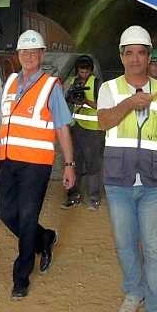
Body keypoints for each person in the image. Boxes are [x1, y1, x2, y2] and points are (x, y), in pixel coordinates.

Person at [97, 25, 157, 312]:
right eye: (129, 54)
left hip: (155, 181)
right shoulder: (109, 89)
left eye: (140, 53)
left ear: (149, 57)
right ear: (122, 57)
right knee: (125, 245)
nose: (135, 59)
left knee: (155, 250)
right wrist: (128, 104)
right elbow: (104, 122)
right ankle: (134, 291)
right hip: (119, 181)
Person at [0, 30, 77, 299]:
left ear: (41, 55)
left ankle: (21, 277)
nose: (28, 56)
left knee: (26, 217)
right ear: (18, 55)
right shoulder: (10, 83)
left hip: (36, 165)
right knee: (6, 213)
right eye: (23, 52)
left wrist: (70, 164)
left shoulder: (51, 86)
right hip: (9, 162)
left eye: (33, 51)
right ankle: (44, 238)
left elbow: (62, 128)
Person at [62, 54, 105, 211]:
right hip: (77, 128)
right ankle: (73, 196)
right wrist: (72, 97)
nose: (83, 74)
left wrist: (86, 101)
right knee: (75, 163)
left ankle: (94, 198)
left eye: (86, 71)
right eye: (81, 71)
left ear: (91, 71)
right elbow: (67, 101)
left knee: (93, 164)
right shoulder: (73, 82)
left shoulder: (98, 84)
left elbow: (104, 106)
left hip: (94, 130)